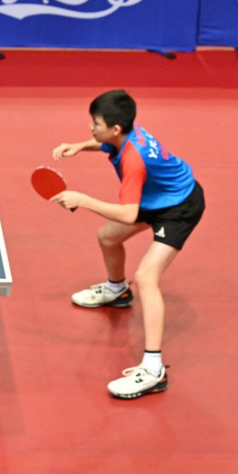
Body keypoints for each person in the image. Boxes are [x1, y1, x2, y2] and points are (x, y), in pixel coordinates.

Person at [49, 90, 205, 400]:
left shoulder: (134, 160)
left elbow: (128, 214)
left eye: (96, 123)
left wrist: (83, 199)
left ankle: (154, 369)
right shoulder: (127, 133)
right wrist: (80, 146)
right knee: (108, 237)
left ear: (115, 127)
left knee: (146, 277)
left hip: (179, 207)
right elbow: (107, 142)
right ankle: (117, 290)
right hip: (156, 197)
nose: (92, 127)